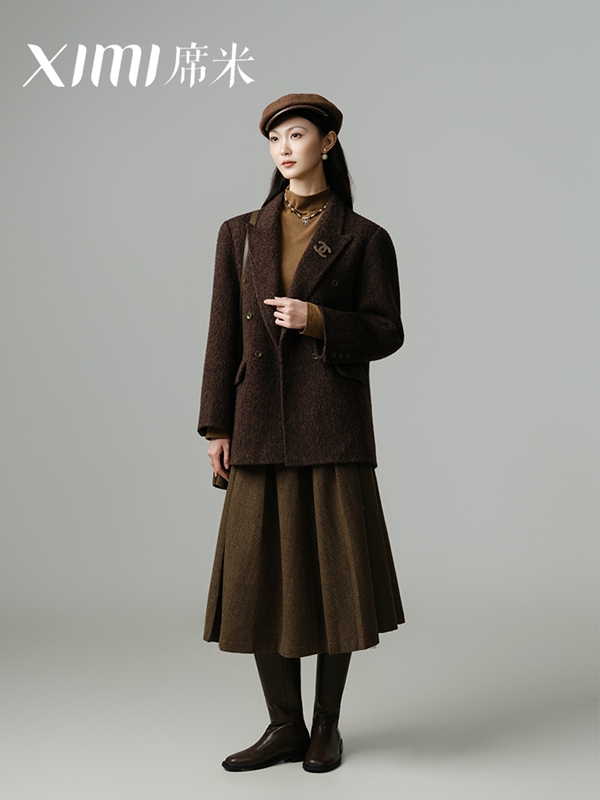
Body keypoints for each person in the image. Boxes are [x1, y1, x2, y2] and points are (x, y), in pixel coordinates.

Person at [197, 93, 405, 773]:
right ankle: (284, 725)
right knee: (258, 576)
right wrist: (216, 425)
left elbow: (386, 331)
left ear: (329, 141)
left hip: (331, 425)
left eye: (297, 135)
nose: (284, 149)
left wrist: (319, 321)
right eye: (275, 139)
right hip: (256, 422)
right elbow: (222, 334)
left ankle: (326, 727)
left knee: (336, 578)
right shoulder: (240, 233)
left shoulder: (364, 237)